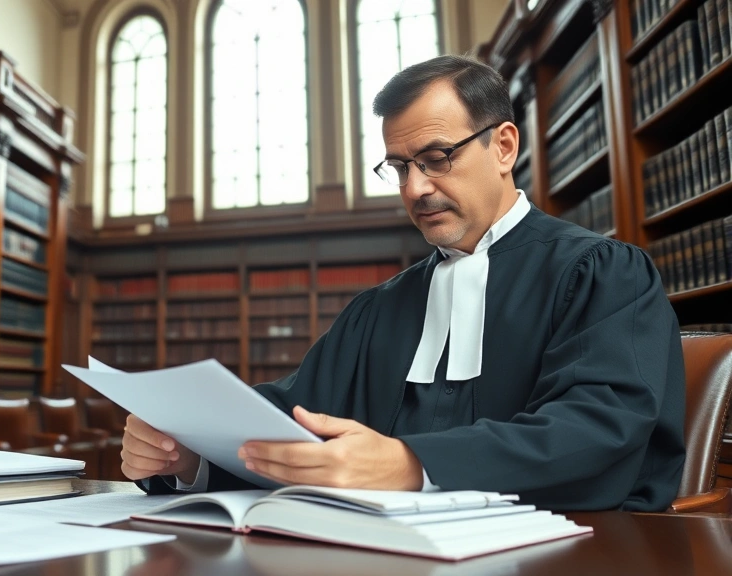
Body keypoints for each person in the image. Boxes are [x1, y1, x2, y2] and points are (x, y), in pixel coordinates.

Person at [121, 55, 686, 511]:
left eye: (437, 157)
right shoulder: (383, 307)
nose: (415, 189)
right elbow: (293, 416)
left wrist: (412, 464)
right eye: (399, 167)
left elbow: (597, 429)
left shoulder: (601, 274)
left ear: (504, 147)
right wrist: (187, 452)